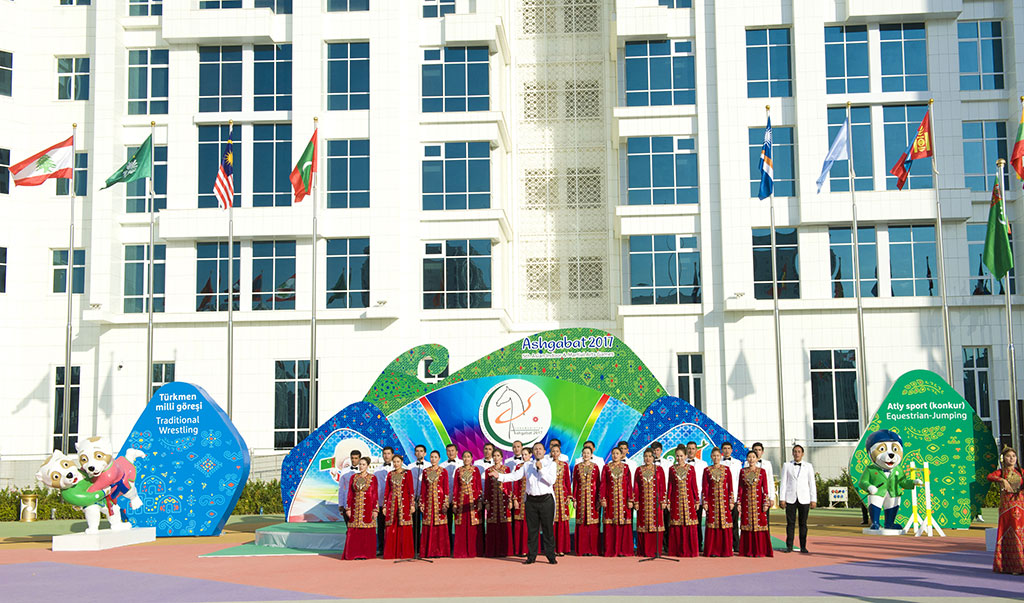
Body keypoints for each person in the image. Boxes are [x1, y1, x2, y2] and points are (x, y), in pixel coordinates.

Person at [491, 442, 558, 564]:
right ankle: (531, 556)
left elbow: (551, 481)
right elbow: (515, 476)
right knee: (532, 530)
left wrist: (541, 469)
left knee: (548, 529)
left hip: (546, 500)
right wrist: (499, 476)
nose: (538, 451)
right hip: (531, 501)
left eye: (540, 449)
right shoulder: (527, 465)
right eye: (535, 449)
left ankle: (551, 556)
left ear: (544, 451)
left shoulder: (551, 464)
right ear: (533, 452)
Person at [987, 446, 1023, 575]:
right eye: (1009, 456)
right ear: (1003, 459)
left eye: (1014, 456)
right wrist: (1002, 480)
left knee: (1020, 534)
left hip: (1021, 507)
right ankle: (1009, 566)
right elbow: (989, 476)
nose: (1012, 458)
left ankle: (1020, 564)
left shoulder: (1021, 472)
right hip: (1007, 509)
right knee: (1009, 533)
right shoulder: (1001, 473)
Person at [779, 444, 816, 554]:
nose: (797, 453)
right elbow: (783, 483)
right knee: (790, 523)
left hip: (804, 498)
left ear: (802, 454)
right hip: (790, 498)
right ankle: (789, 546)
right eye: (795, 451)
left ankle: (803, 546)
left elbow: (812, 483)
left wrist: (813, 499)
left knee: (803, 523)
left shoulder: (808, 466)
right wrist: (782, 498)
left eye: (799, 451)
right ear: (792, 453)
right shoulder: (787, 465)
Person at [737, 450, 773, 558]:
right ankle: (747, 550)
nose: (751, 459)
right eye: (749, 457)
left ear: (757, 459)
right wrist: (739, 503)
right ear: (747, 459)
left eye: (753, 457)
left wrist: (766, 503)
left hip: (758, 502)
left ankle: (760, 550)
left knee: (759, 525)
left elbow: (765, 488)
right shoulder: (742, 471)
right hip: (746, 502)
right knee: (747, 524)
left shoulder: (762, 471)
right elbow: (740, 488)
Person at [667, 444, 700, 557]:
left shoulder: (691, 469)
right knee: (676, 523)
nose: (679, 458)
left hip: (688, 500)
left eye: (681, 456)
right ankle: (677, 550)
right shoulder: (671, 469)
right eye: (677, 456)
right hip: (676, 499)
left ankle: (690, 550)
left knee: (689, 523)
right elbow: (670, 486)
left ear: (686, 456)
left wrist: (696, 500)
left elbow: (693, 485)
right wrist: (668, 501)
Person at [343, 457, 379, 560]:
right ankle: (354, 554)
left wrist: (375, 509)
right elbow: (350, 493)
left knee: (366, 531)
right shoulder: (353, 477)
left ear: (367, 466)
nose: (361, 466)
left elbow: (375, 494)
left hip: (368, 506)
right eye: (360, 464)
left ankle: (366, 554)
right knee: (355, 531)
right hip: (355, 507)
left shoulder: (373, 478)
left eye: (363, 464)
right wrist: (348, 508)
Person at [601, 447, 634, 557]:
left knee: (624, 524)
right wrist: (603, 499)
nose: (615, 456)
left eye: (617, 453)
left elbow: (629, 484)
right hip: (610, 500)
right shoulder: (606, 467)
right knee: (611, 524)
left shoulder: (626, 467)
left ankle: (623, 550)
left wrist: (630, 499)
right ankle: (610, 550)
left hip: (623, 500)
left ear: (621, 455)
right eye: (613, 453)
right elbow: (603, 484)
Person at [702, 447, 734, 557]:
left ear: (720, 457)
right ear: (711, 457)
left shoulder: (726, 469)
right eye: (714, 456)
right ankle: (713, 550)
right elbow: (705, 487)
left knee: (724, 523)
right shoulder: (707, 470)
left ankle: (725, 550)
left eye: (717, 456)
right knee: (712, 523)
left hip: (724, 501)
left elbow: (730, 486)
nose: (716, 458)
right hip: (712, 501)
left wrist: (731, 501)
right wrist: (705, 502)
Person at [634, 448, 666, 557]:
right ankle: (644, 550)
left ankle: (655, 550)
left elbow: (662, 486)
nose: (647, 458)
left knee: (656, 525)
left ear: (654, 457)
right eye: (646, 456)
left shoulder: (659, 469)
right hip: (643, 502)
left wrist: (662, 500)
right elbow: (636, 487)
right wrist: (636, 501)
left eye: (650, 456)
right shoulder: (639, 470)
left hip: (655, 502)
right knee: (643, 524)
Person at [383, 454, 415, 559]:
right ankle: (391, 553)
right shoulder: (390, 474)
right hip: (392, 504)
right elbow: (387, 491)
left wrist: (412, 504)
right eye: (394, 462)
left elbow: (410, 490)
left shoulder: (407, 473)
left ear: (401, 462)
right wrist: (384, 506)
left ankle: (405, 553)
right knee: (392, 526)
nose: (396, 464)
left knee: (404, 526)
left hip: (404, 503)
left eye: (398, 462)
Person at [419, 450, 450, 558]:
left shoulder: (443, 471)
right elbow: (423, 488)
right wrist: (422, 503)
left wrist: (445, 503)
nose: (433, 459)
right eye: (431, 457)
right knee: (428, 525)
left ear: (439, 459)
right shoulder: (425, 471)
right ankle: (428, 551)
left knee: (440, 525)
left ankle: (440, 551)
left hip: (440, 502)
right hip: (428, 502)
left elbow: (446, 488)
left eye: (435, 457)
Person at [452, 451, 483, 558]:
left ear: (471, 458)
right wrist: (455, 503)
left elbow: (479, 486)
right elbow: (456, 487)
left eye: (468, 457)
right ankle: (460, 552)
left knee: (473, 526)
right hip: (461, 502)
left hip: (473, 501)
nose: (466, 459)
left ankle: (474, 551)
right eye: (464, 457)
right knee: (461, 525)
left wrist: (479, 501)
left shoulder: (475, 470)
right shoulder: (458, 471)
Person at [572, 445, 601, 556]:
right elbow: (575, 484)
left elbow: (598, 484)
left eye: (588, 453)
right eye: (584, 453)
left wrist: (598, 498)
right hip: (581, 497)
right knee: (582, 522)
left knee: (593, 524)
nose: (585, 455)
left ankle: (592, 549)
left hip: (593, 498)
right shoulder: (577, 467)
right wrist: (574, 499)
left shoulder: (595, 467)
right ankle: (582, 549)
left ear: (591, 455)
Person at [484, 449, 514, 557]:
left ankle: (505, 550)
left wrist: (510, 500)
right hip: (492, 501)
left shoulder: (506, 469)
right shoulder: (488, 470)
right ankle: (493, 551)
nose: (496, 458)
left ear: (502, 457)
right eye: (494, 456)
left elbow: (509, 485)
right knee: (492, 525)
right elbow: (487, 487)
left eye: (498, 455)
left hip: (504, 500)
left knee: (505, 524)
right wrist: (486, 501)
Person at [549, 439, 572, 555]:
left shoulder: (564, 465)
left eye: (557, 451)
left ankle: (562, 548)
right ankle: (552, 548)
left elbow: (567, 481)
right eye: (553, 451)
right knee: (551, 521)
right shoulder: (547, 465)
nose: (555, 453)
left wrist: (569, 495)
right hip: (551, 495)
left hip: (562, 495)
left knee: (563, 521)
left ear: (560, 452)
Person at [683, 440, 708, 550]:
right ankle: (687, 545)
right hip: (684, 498)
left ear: (696, 450)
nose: (691, 451)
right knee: (685, 523)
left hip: (698, 498)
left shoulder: (703, 464)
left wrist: (702, 498)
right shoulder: (680, 464)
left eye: (693, 448)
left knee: (697, 522)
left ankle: (698, 545)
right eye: (689, 448)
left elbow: (705, 482)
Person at [720, 442, 743, 551]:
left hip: (733, 497)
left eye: (729, 448)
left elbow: (740, 481)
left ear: (732, 450)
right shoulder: (718, 462)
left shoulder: (737, 463)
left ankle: (736, 545)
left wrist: (738, 498)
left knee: (734, 522)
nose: (727, 450)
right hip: (720, 497)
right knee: (722, 523)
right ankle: (725, 545)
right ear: (721, 450)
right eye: (724, 448)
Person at [511, 448, 532, 555]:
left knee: (531, 524)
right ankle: (520, 550)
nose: (524, 457)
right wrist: (515, 499)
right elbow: (515, 484)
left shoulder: (534, 466)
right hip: (520, 499)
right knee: (519, 525)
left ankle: (531, 550)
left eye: (526, 454)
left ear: (530, 455)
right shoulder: (518, 467)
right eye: (523, 455)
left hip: (532, 499)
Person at [373, 446, 394, 555]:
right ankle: (381, 548)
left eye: (388, 453)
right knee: (381, 527)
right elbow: (375, 487)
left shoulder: (400, 468)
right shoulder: (377, 470)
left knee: (393, 526)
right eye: (384, 453)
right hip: (381, 502)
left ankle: (393, 547)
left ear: (392, 455)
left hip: (395, 503)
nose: (386, 456)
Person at [410, 444, 428, 551]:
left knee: (426, 523)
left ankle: (425, 546)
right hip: (415, 499)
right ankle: (415, 547)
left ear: (425, 453)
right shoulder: (410, 467)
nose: (419, 453)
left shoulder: (430, 466)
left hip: (427, 499)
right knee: (415, 523)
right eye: (417, 451)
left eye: (421, 451)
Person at [441, 443, 460, 546]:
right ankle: (448, 546)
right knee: (446, 523)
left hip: (459, 499)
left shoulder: (462, 464)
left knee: (459, 523)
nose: (450, 453)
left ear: (457, 452)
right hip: (447, 499)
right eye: (448, 451)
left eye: (452, 451)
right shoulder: (442, 466)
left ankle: (458, 546)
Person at [336, 449, 361, 523]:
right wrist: (340, 503)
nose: (354, 460)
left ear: (359, 459)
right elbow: (341, 488)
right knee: (348, 524)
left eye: (356, 458)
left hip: (359, 502)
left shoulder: (364, 471)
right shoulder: (344, 470)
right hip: (346, 502)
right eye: (352, 458)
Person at [751, 442, 776, 510]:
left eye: (759, 450)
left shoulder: (767, 464)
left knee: (764, 517)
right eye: (755, 450)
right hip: (751, 495)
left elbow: (770, 480)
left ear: (762, 452)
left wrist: (772, 497)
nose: (757, 452)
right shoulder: (747, 463)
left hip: (764, 495)